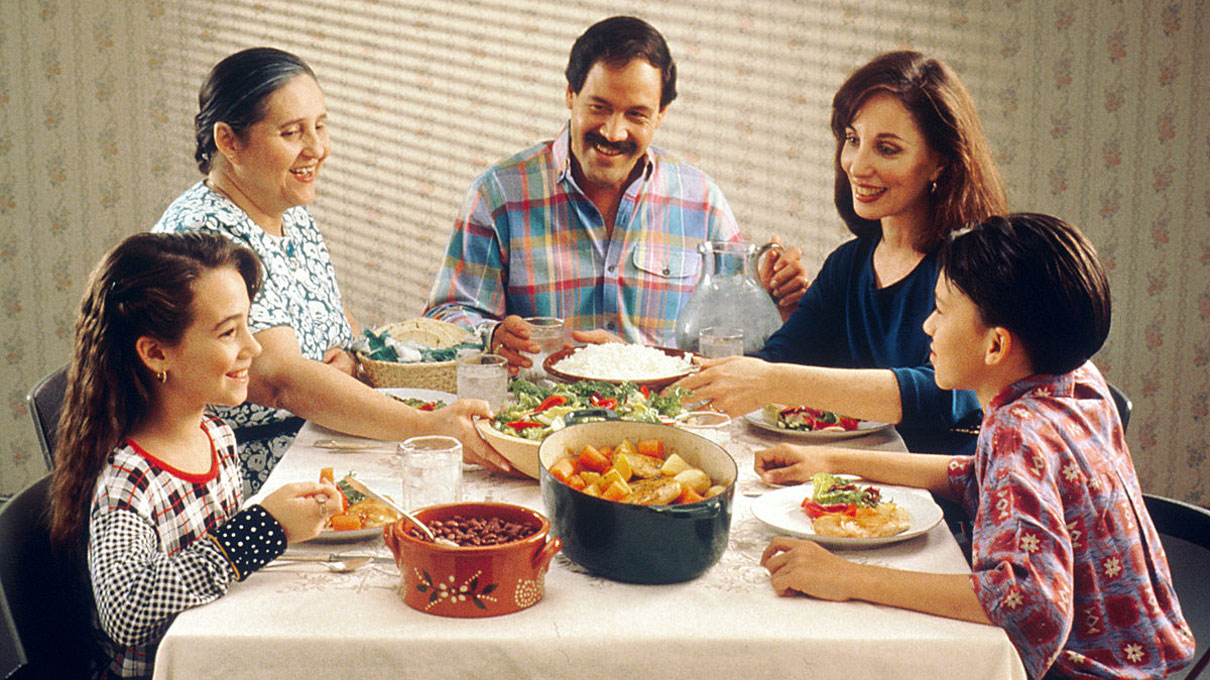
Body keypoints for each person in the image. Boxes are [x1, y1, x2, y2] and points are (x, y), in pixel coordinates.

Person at [757, 213, 1196, 679]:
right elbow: (980, 474)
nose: (928, 326)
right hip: (1156, 662)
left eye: (942, 310)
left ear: (996, 346)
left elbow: (1027, 604)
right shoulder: (1077, 380)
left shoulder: (1019, 432)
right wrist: (829, 459)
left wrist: (845, 578)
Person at [154, 47, 508, 493]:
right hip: (244, 478)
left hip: (317, 443)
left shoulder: (286, 209)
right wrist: (428, 425)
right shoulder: (206, 237)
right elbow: (281, 381)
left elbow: (332, 327)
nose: (318, 149)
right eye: (291, 133)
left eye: (320, 126)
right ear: (228, 142)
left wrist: (349, 360)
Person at [423, 15, 809, 371]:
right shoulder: (499, 195)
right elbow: (445, 317)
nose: (613, 131)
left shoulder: (702, 201)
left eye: (636, 115)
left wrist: (772, 300)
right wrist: (491, 336)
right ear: (571, 95)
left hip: (666, 427)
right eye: (599, 107)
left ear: (661, 115)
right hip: (536, 423)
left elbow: (733, 345)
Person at [676, 50, 1008, 455]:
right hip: (854, 486)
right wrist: (645, 365)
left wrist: (775, 380)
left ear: (939, 162)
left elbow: (943, 391)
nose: (857, 165)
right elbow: (779, 358)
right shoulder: (849, 265)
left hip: (949, 499)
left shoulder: (972, 270)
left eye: (887, 149)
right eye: (852, 140)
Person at [47, 232, 344, 679]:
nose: (254, 347)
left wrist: (284, 522)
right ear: (156, 353)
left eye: (248, 324)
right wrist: (263, 528)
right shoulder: (129, 479)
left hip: (223, 655)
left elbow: (216, 568)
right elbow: (126, 609)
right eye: (229, 332)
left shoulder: (216, 435)